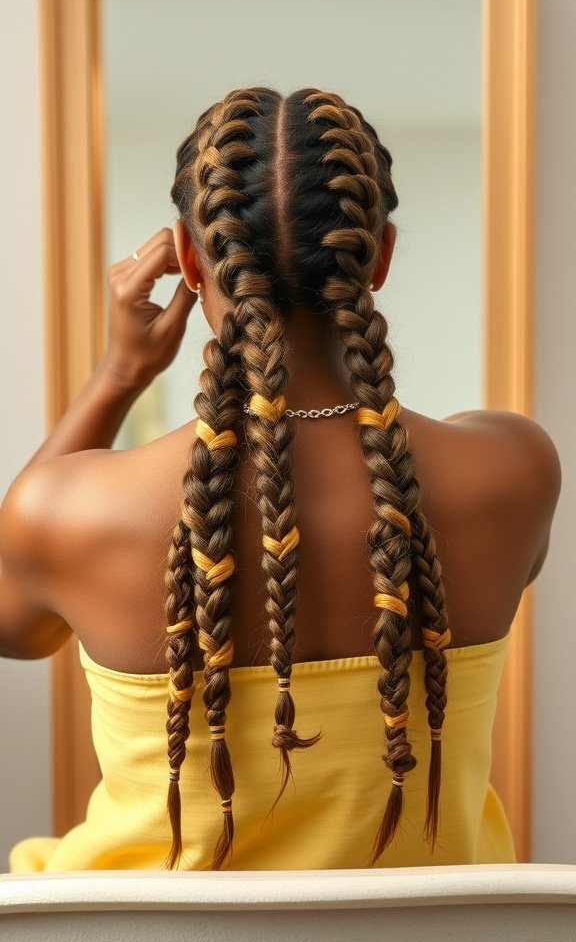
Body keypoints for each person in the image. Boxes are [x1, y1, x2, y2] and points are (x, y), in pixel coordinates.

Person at [0, 87, 560, 872]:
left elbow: (12, 629)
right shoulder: (512, 468)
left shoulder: (70, 509)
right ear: (381, 257)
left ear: (191, 263)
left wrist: (118, 374)